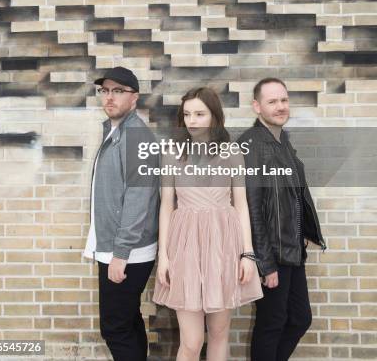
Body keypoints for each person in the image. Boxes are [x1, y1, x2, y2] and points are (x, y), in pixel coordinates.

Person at [153, 87, 263, 361]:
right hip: (186, 244)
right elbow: (167, 205)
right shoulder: (172, 153)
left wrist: (247, 253)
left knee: (219, 332)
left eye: (200, 114)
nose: (192, 120)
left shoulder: (232, 153)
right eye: (187, 114)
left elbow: (241, 205)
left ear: (214, 116)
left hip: (224, 244)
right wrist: (163, 256)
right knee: (192, 341)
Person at [238, 78, 326, 361]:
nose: (280, 106)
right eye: (272, 101)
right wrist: (265, 262)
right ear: (257, 106)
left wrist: (304, 231)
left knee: (299, 319)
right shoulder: (251, 146)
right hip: (273, 255)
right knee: (271, 324)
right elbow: (251, 208)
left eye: (284, 100)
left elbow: (292, 196)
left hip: (292, 250)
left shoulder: (282, 141)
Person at [84, 66, 160, 361]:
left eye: (118, 91)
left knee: (114, 328)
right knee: (127, 321)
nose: (109, 97)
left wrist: (121, 252)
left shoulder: (136, 136)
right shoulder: (116, 130)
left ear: (134, 98)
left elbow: (139, 198)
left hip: (127, 250)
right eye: (105, 91)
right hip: (119, 247)